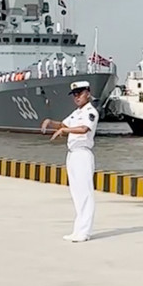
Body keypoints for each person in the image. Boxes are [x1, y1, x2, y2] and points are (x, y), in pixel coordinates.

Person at [40, 81, 99, 242]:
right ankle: (78, 229)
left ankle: (85, 231)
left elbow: (84, 129)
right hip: (72, 153)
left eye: (80, 93)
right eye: (74, 94)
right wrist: (50, 122)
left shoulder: (90, 112)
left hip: (83, 153)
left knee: (85, 193)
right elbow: (64, 124)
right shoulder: (76, 113)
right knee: (76, 193)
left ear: (87, 92)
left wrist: (64, 130)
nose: (77, 97)